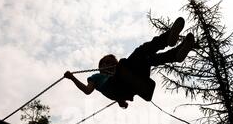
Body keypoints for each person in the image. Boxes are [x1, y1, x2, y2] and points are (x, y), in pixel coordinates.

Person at [64, 17, 197, 108]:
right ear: (99, 68)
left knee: (147, 58)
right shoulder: (96, 77)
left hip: (131, 84)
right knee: (140, 51)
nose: (107, 65)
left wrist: (120, 102)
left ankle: (176, 53)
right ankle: (167, 39)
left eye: (110, 62)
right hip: (123, 86)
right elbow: (88, 91)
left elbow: (117, 93)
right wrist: (72, 78)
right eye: (104, 63)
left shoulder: (120, 73)